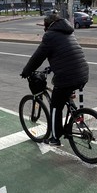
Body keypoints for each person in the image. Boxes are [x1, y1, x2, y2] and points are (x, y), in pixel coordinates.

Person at [21, 11, 89, 146]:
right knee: (66, 95)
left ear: (49, 25)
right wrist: (52, 68)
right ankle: (76, 116)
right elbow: (65, 55)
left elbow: (38, 57)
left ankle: (54, 138)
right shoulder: (68, 32)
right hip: (82, 73)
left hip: (67, 76)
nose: (44, 29)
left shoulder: (50, 36)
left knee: (55, 106)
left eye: (45, 26)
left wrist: (26, 71)